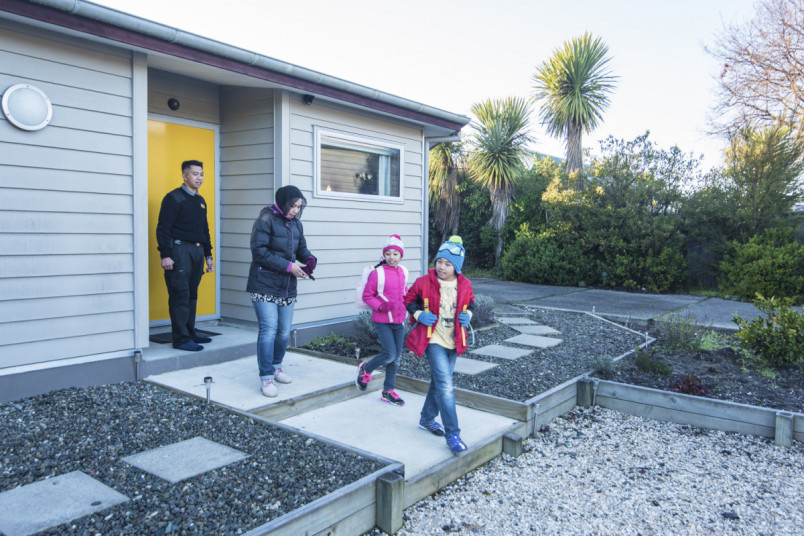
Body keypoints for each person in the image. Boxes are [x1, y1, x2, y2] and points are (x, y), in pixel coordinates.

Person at [404, 235, 475, 453]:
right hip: (432, 338)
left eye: (447, 263)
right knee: (445, 385)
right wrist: (418, 313)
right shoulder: (424, 282)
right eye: (439, 262)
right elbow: (409, 299)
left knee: (438, 382)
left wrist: (469, 314)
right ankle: (453, 434)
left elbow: (471, 301)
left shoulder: (464, 284)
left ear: (457, 267)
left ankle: (426, 418)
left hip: (454, 340)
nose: (441, 267)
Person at [246, 185, 316, 397]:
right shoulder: (265, 220)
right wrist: (289, 266)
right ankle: (266, 377)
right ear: (282, 202)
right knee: (268, 329)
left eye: (298, 206)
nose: (295, 210)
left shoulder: (297, 224)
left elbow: (301, 249)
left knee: (284, 331)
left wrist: (309, 260)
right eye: (292, 205)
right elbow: (259, 252)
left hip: (286, 286)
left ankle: (277, 366)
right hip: (263, 283)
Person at [156, 160, 214, 352]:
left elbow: (204, 229)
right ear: (185, 175)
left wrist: (208, 255)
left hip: (197, 252)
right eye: (195, 174)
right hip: (179, 251)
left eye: (202, 174)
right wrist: (166, 254)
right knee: (180, 294)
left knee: (192, 294)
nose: (199, 178)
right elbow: (163, 228)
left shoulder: (200, 201)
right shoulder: (173, 198)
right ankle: (180, 339)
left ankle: (189, 333)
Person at [356, 235, 409, 406]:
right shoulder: (377, 273)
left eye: (395, 254)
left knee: (396, 358)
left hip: (399, 321)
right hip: (382, 320)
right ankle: (366, 369)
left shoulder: (403, 272)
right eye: (388, 254)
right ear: (384, 255)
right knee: (389, 354)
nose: (392, 257)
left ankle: (388, 391)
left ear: (401, 256)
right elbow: (367, 295)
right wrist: (380, 306)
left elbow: (404, 293)